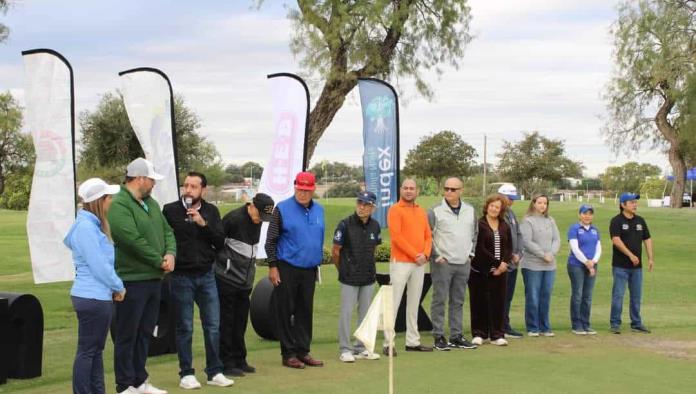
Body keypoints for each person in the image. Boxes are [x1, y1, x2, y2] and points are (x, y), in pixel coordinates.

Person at [108, 158, 176, 394]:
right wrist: (158, 260)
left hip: (154, 279)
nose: (153, 184)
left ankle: (139, 380)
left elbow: (167, 231)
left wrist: (170, 253)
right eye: (151, 179)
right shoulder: (119, 205)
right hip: (131, 280)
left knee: (146, 331)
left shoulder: (152, 204)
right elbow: (131, 240)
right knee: (128, 334)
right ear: (139, 179)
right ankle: (124, 384)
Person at [162, 172, 233, 389]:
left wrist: (203, 224)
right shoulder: (171, 210)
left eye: (194, 186)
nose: (189, 190)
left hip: (206, 275)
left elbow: (220, 241)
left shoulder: (211, 211)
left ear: (203, 190)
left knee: (212, 326)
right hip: (181, 276)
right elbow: (165, 239)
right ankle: (186, 374)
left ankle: (214, 371)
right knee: (185, 327)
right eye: (186, 186)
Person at [65, 178, 124, 394]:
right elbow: (99, 265)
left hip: (95, 296)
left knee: (95, 351)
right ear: (99, 201)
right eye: (108, 198)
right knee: (88, 351)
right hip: (93, 297)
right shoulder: (85, 228)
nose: (111, 201)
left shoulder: (89, 225)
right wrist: (119, 286)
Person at [265, 171, 325, 369]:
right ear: (295, 187)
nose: (303, 193)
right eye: (300, 189)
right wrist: (273, 266)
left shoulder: (319, 210)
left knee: (305, 311)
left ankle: (303, 351)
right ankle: (288, 353)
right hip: (287, 267)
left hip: (309, 269)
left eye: (307, 190)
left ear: (313, 189)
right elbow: (270, 241)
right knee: (285, 310)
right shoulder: (282, 209)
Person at [216, 192, 275, 375]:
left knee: (240, 322)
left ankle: (239, 359)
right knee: (226, 323)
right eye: (260, 215)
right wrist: (224, 267)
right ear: (252, 206)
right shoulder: (233, 219)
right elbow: (216, 244)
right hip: (227, 280)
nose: (261, 220)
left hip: (244, 282)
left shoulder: (257, 221)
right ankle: (226, 363)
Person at [383, 178, 433, 355]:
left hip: (419, 263)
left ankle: (413, 341)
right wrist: (415, 255)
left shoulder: (421, 211)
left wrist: (425, 254)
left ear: (417, 191)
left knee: (414, 303)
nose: (409, 191)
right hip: (401, 263)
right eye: (406, 188)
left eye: (412, 188)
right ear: (401, 190)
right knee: (394, 303)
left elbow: (428, 236)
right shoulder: (395, 210)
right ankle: (388, 343)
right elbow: (397, 237)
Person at [332, 191, 383, 362]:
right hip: (349, 277)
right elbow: (335, 252)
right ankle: (345, 349)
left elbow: (374, 249)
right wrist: (344, 270)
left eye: (366, 204)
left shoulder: (375, 226)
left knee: (366, 314)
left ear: (373, 207)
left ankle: (362, 347)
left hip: (368, 277)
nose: (362, 207)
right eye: (360, 203)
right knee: (346, 313)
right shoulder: (344, 224)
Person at [428, 177, 477, 351]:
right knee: (439, 299)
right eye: (446, 188)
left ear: (461, 191)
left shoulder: (470, 210)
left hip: (463, 262)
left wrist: (470, 254)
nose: (448, 192)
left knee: (458, 301)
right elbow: (428, 235)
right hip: (443, 262)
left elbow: (474, 233)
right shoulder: (435, 210)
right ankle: (439, 336)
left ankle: (456, 336)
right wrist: (437, 255)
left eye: (453, 189)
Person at [469, 194, 513, 346]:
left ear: (501, 210)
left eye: (497, 207)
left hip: (500, 272)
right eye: (492, 206)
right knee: (478, 301)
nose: (494, 209)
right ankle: (479, 333)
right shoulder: (479, 224)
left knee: (498, 302)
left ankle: (497, 334)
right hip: (480, 270)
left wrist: (503, 265)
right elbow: (479, 248)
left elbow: (508, 247)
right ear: (487, 206)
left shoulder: (504, 225)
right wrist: (496, 263)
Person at [609, 193, 654, 334]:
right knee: (618, 295)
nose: (635, 205)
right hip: (620, 266)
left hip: (637, 268)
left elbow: (647, 239)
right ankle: (615, 323)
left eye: (635, 202)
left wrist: (650, 258)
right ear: (623, 204)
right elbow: (616, 240)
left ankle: (636, 322)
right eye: (631, 202)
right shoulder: (616, 221)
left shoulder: (640, 221)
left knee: (636, 296)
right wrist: (630, 255)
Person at [520, 194, 560, 337]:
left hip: (549, 265)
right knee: (533, 296)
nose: (543, 205)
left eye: (545, 203)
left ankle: (545, 326)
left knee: (545, 295)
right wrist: (543, 254)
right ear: (534, 204)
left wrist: (551, 253)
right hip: (532, 265)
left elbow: (556, 239)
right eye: (540, 202)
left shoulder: (550, 220)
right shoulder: (527, 221)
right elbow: (527, 242)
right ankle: (533, 327)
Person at [567, 204, 601, 336]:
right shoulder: (574, 228)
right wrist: (587, 262)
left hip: (592, 264)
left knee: (587, 296)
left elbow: (598, 248)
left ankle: (586, 323)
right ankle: (577, 324)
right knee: (578, 294)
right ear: (579, 215)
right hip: (577, 265)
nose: (587, 216)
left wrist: (593, 262)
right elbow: (575, 248)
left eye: (590, 214)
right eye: (585, 213)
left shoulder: (594, 230)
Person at [497, 184, 525, 339]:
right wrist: (509, 256)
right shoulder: (497, 214)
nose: (511, 202)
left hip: (513, 263)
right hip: (502, 263)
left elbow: (518, 235)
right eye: (509, 198)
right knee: (499, 296)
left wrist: (519, 253)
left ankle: (504, 324)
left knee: (508, 296)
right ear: (501, 196)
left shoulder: (511, 213)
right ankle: (497, 326)